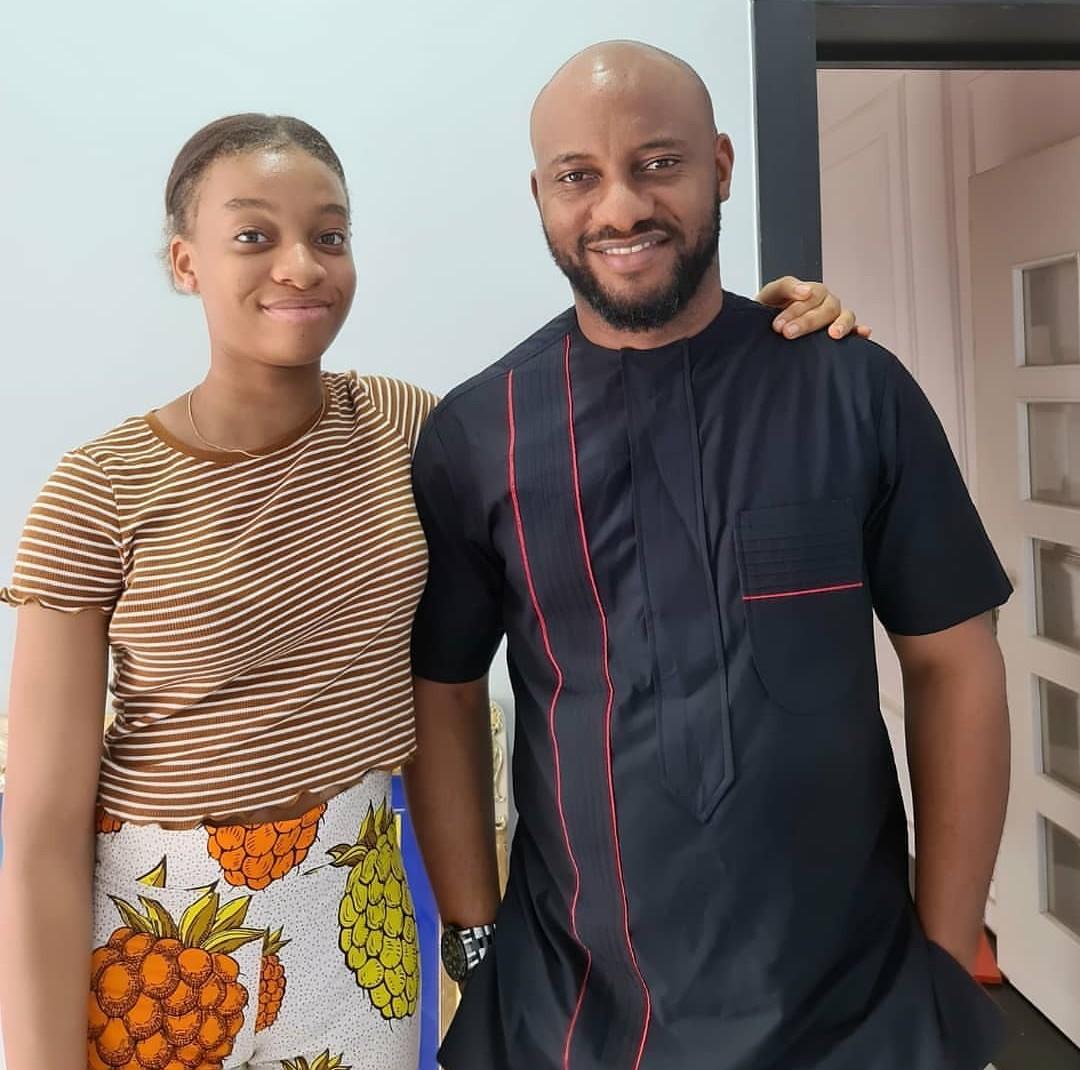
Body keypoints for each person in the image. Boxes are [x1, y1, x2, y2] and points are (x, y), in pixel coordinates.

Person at [0, 111, 853, 1070]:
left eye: (329, 235)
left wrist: (747, 339)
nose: (300, 266)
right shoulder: (100, 488)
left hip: (359, 903)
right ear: (186, 261)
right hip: (160, 932)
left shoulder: (405, 427)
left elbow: (587, 425)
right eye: (253, 236)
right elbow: (40, 829)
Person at [405, 41, 1012, 1070]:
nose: (620, 207)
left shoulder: (851, 390)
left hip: (858, 1015)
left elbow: (955, 661)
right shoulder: (476, 433)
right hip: (568, 1018)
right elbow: (444, 688)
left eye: (658, 163)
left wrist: (946, 962)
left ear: (721, 166)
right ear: (540, 197)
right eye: (578, 176)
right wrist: (474, 937)